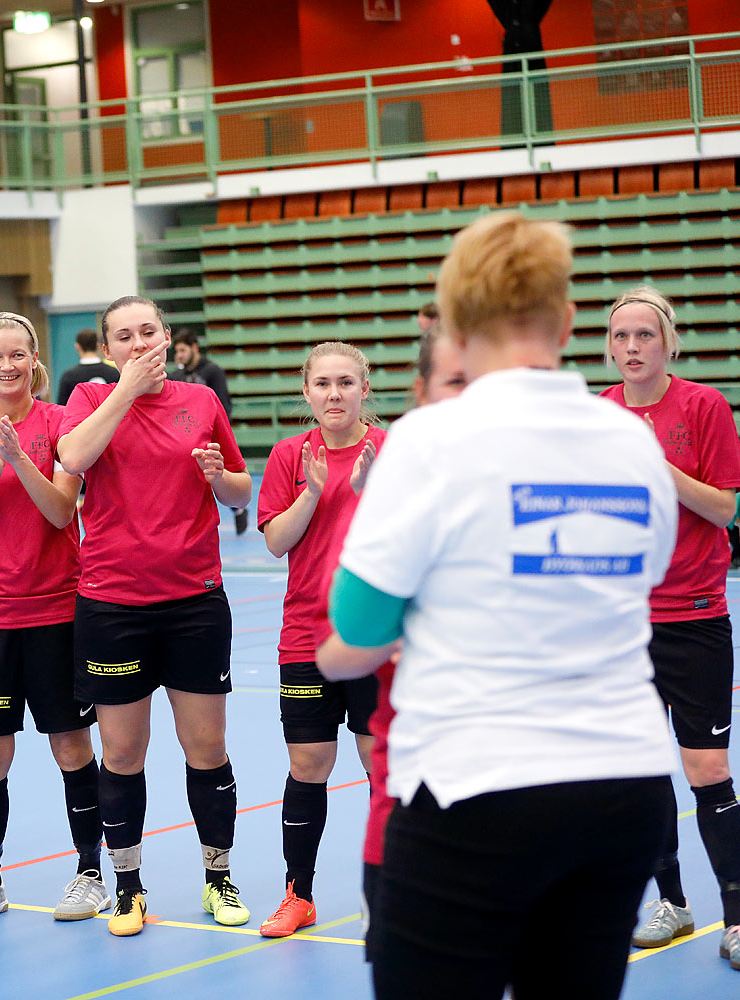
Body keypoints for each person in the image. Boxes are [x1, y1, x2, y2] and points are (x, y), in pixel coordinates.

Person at [317, 210, 679, 1000]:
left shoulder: (432, 439)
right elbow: (635, 582)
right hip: (625, 787)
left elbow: (358, 624)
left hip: (477, 789)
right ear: (570, 319)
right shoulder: (631, 443)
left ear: (458, 320)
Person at [57, 295, 253, 937]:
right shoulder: (89, 397)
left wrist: (219, 477)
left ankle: (219, 877)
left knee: (207, 746)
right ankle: (128, 887)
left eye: (148, 332)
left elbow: (239, 489)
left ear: (167, 338)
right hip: (113, 603)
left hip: (193, 600)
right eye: (124, 336)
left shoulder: (201, 402)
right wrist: (126, 391)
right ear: (108, 348)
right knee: (122, 749)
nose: (138, 342)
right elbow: (73, 458)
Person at [602, 285, 740, 971]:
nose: (632, 347)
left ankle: (737, 917)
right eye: (621, 336)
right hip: (621, 625)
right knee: (640, 769)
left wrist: (654, 465)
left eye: (644, 335)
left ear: (668, 343)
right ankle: (673, 901)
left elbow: (727, 510)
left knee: (708, 770)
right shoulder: (597, 416)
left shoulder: (704, 406)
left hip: (694, 620)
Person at [0, 312, 107, 925]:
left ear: (34, 360)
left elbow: (63, 511)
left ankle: (91, 872)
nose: (6, 366)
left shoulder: (63, 422)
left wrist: (19, 459)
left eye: (17, 354)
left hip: (59, 611)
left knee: (70, 744)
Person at [253, 341, 383, 938]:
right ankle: (298, 893)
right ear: (306, 392)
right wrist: (313, 490)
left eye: (345, 383)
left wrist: (371, 493)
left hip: (375, 638)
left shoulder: (390, 451)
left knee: (382, 764)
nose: (334, 394)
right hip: (305, 636)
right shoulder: (289, 455)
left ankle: (400, 894)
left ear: (364, 389)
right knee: (309, 763)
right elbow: (277, 542)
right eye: (323, 384)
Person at [360, 325, 466, 960]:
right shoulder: (403, 478)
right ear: (422, 390)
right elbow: (346, 636)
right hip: (415, 765)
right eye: (454, 381)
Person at [173, 331, 246, 535]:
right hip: (184, 434)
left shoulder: (213, 371)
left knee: (219, 475)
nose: (178, 355)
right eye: (176, 351)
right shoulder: (176, 375)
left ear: (194, 348)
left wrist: (219, 432)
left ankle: (238, 508)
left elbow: (223, 404)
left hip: (210, 434)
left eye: (182, 350)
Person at [56, 329, 119, 406]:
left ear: (77, 346)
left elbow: (62, 407)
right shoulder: (113, 373)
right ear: (98, 345)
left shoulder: (69, 376)